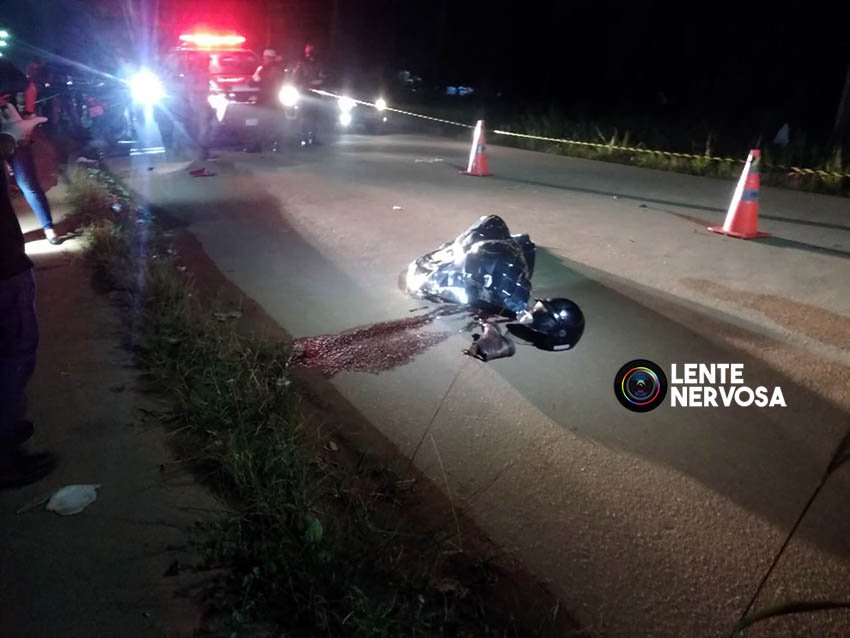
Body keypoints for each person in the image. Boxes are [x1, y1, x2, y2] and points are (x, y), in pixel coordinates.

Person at [0, 86, 57, 488]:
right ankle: (4, 453)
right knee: (14, 354)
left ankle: (7, 428)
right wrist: (10, 138)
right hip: (2, 268)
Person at [1, 60, 60, 244]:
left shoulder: (4, 65)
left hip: (12, 128)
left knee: (27, 182)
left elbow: (30, 88)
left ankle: (48, 227)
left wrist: (28, 114)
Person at [291, 42, 325, 144]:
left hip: (316, 93)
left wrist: (321, 80)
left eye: (312, 50)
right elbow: (295, 79)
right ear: (306, 51)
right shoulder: (301, 63)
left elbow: (322, 75)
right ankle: (304, 137)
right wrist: (308, 83)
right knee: (304, 116)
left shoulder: (318, 63)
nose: (310, 52)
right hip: (305, 93)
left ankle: (313, 137)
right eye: (309, 50)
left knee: (315, 116)